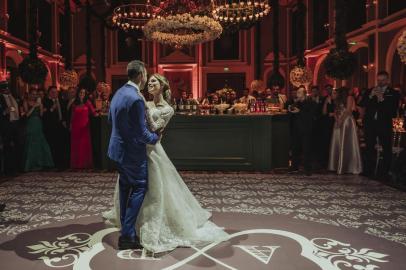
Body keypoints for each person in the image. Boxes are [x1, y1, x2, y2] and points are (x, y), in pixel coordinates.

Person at [104, 69, 228, 253]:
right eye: (150, 81)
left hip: (152, 151)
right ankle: (130, 224)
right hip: (135, 150)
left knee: (153, 189)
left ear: (162, 86)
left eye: (155, 82)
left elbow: (155, 129)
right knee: (131, 187)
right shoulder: (141, 101)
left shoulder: (167, 109)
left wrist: (146, 112)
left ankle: (147, 224)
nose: (150, 84)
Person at [106, 60, 160, 250]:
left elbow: (109, 120)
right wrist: (155, 137)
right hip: (132, 152)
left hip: (117, 149)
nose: (146, 78)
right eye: (145, 75)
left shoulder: (118, 93)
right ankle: (127, 234)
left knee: (124, 188)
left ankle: (126, 229)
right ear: (140, 75)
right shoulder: (136, 98)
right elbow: (141, 133)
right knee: (139, 187)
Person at [359, 71, 400, 179]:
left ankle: (384, 173)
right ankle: (368, 171)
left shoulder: (394, 93)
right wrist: (371, 95)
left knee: (386, 149)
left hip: (384, 125)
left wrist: (382, 99)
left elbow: (392, 110)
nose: (380, 82)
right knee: (369, 148)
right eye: (379, 80)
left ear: (388, 80)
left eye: (383, 80)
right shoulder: (370, 91)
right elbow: (362, 104)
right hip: (370, 124)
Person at [328, 87, 362, 174]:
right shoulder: (339, 99)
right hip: (340, 120)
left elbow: (348, 111)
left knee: (346, 142)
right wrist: (337, 120)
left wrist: (340, 120)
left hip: (347, 121)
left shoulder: (349, 98)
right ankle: (337, 165)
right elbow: (335, 111)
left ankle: (347, 166)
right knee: (338, 142)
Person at [22, 90, 54, 171]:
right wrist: (34, 106)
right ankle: (30, 165)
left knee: (40, 142)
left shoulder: (39, 103)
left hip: (38, 123)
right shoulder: (26, 102)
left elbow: (41, 115)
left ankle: (41, 163)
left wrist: (40, 106)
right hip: (30, 123)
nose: (34, 96)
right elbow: (27, 115)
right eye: (32, 94)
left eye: (35, 94)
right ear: (29, 94)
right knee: (31, 143)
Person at [288, 87, 316, 176]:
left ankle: (307, 169)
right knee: (295, 148)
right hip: (296, 129)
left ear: (304, 93)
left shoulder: (310, 103)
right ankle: (294, 167)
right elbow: (292, 114)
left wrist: (299, 111)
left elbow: (310, 115)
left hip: (306, 129)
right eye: (297, 92)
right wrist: (290, 109)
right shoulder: (296, 103)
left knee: (306, 149)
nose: (297, 94)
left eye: (299, 92)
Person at [70, 88, 98, 169]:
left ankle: (84, 164)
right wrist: (70, 125)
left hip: (85, 126)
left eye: (83, 93)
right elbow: (72, 115)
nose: (82, 94)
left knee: (84, 145)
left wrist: (99, 113)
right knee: (76, 145)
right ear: (78, 93)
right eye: (81, 92)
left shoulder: (88, 102)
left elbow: (93, 112)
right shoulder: (74, 103)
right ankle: (76, 164)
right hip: (76, 126)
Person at [0, 81, 22, 175]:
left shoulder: (14, 97)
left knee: (17, 145)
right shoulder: (1, 98)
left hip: (16, 123)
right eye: (5, 88)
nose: (7, 89)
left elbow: (18, 108)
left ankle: (17, 168)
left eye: (8, 87)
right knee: (8, 147)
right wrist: (4, 112)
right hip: (7, 125)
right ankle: (8, 170)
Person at [43, 86, 67, 170]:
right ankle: (54, 164)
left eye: (56, 92)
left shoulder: (61, 101)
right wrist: (52, 108)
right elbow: (44, 115)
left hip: (61, 126)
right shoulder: (46, 101)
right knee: (53, 146)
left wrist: (64, 121)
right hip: (51, 127)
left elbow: (64, 112)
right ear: (49, 93)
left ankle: (62, 164)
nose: (55, 93)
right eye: (52, 92)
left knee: (61, 145)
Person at [321, 85, 336, 167]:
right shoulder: (325, 99)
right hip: (327, 122)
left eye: (330, 89)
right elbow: (323, 113)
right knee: (327, 141)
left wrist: (334, 114)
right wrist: (326, 103)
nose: (329, 91)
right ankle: (327, 161)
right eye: (327, 89)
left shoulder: (337, 100)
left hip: (336, 122)